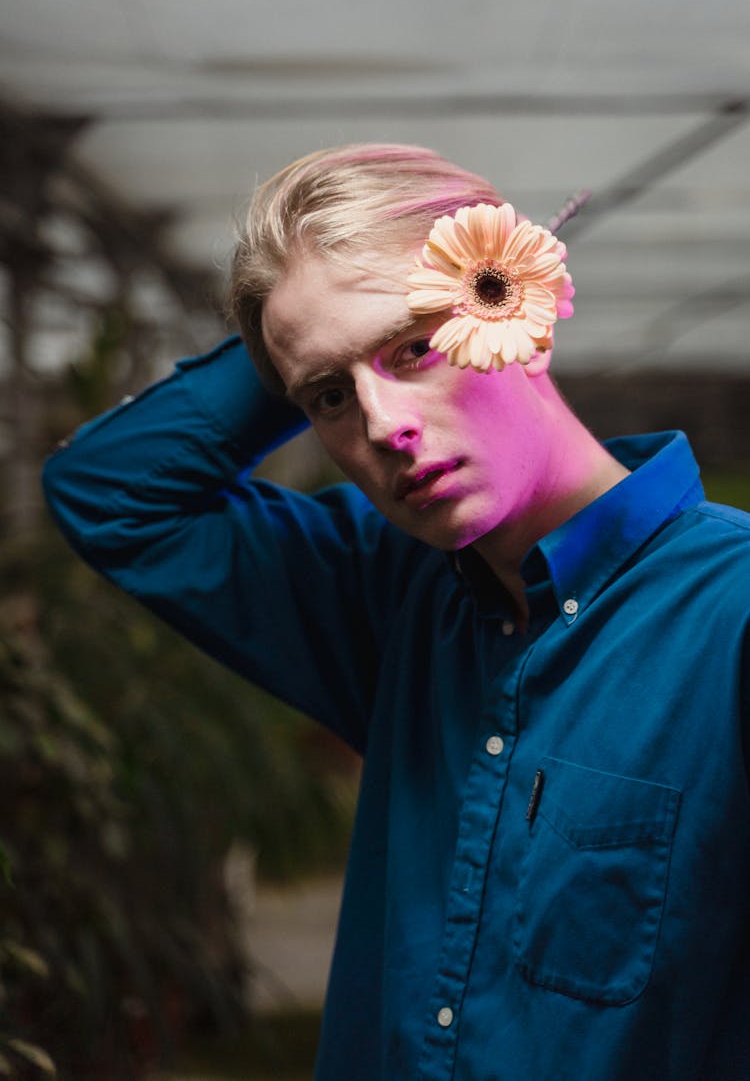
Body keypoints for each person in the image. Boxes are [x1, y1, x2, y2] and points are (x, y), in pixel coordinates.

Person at [43, 143, 750, 1081]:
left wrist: (349, 332)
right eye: (331, 399)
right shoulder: (390, 592)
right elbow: (111, 491)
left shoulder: (731, 615)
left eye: (413, 347)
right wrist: (298, 332)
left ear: (522, 312)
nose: (380, 425)